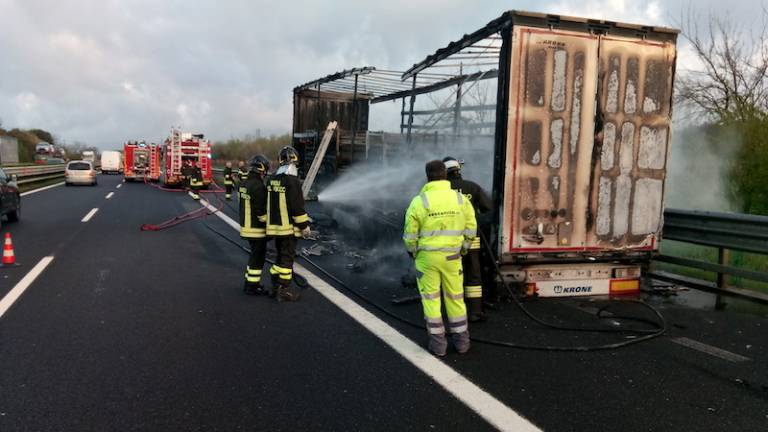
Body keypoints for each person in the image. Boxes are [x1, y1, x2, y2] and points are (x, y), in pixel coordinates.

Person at [403, 160, 476, 356]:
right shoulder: (461, 200)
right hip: (453, 257)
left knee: (431, 300)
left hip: (427, 259)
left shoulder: (419, 201)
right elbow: (471, 229)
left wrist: (413, 251)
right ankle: (462, 343)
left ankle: (438, 346)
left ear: (428, 176)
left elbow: (410, 235)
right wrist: (464, 249)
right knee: (456, 298)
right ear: (446, 175)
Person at [443, 156, 492, 322]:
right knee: (473, 275)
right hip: (471, 241)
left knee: (451, 276)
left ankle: (451, 311)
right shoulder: (472, 187)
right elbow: (488, 208)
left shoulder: (440, 191)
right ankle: (475, 311)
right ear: (459, 170)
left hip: (447, 243)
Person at [265, 146, 310, 302]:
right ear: (294, 161)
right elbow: (296, 207)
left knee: (279, 258)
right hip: (288, 230)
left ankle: (274, 286)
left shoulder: (272, 180)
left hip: (275, 229)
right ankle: (284, 290)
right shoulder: (293, 181)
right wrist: (304, 226)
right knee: (287, 260)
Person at [239, 155, 270, 295]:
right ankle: (252, 286)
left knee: (253, 256)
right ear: (261, 168)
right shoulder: (258, 185)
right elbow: (260, 210)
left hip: (246, 226)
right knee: (258, 258)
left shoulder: (245, 183)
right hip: (256, 228)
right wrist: (269, 224)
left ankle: (249, 283)